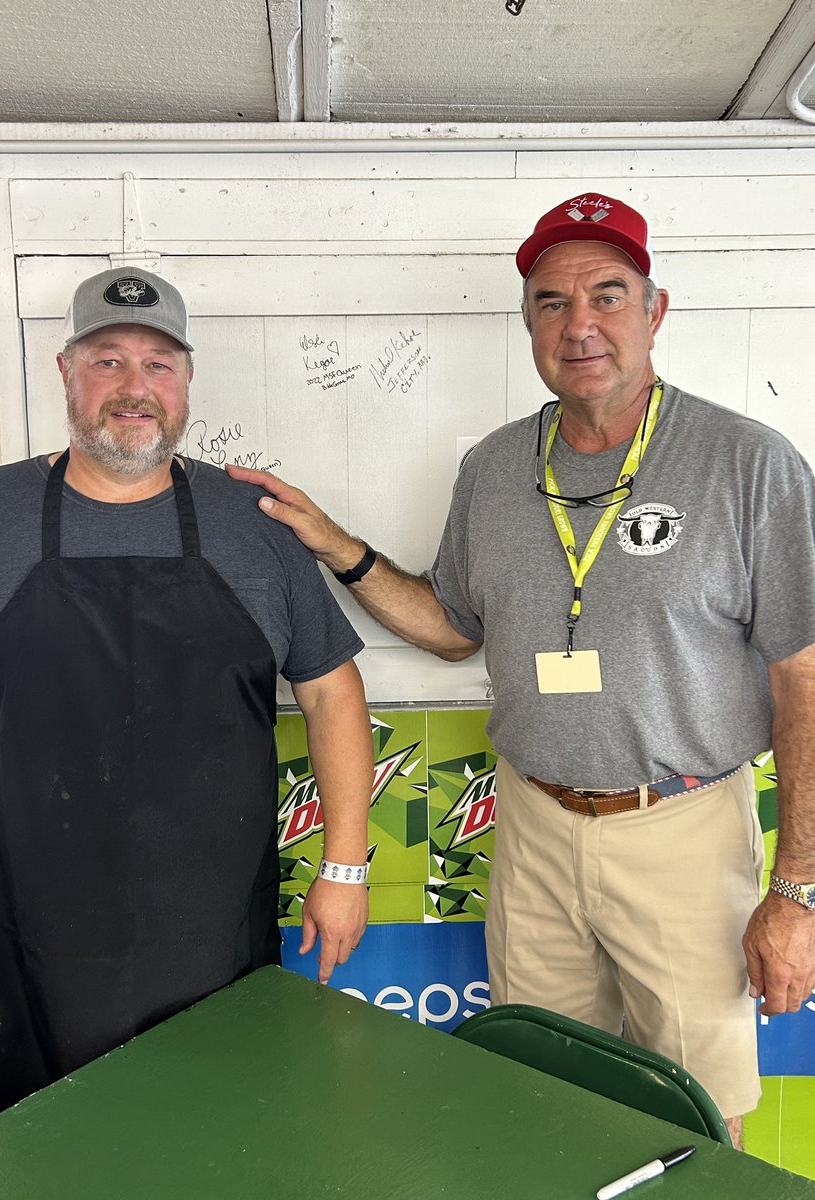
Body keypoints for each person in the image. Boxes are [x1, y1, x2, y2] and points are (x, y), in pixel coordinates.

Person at [227, 193, 815, 1146]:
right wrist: (337, 545)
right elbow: (454, 627)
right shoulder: (498, 467)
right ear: (530, 321)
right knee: (544, 1097)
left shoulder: (747, 463)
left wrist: (795, 892)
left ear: (655, 311)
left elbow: (804, 678)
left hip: (682, 826)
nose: (579, 324)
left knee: (699, 1121)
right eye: (551, 302)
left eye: (608, 296)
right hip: (534, 825)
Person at [0, 267, 372, 1135]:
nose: (135, 388)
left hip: (208, 935)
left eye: (159, 364)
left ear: (188, 381)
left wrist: (345, 867)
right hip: (14, 930)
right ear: (64, 372)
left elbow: (330, 689)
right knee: (16, 1155)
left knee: (206, 1148)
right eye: (108, 361)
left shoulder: (254, 524)